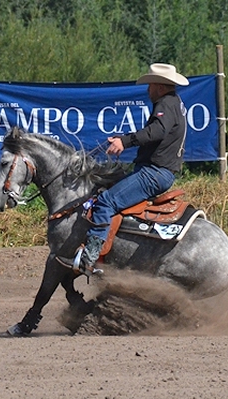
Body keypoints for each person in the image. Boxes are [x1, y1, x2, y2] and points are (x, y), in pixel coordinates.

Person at [56, 63, 189, 274]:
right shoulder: (175, 103)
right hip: (159, 171)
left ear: (161, 87)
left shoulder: (165, 104)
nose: (148, 90)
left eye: (151, 85)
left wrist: (124, 142)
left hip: (154, 172)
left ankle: (89, 258)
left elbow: (158, 131)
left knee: (106, 202)